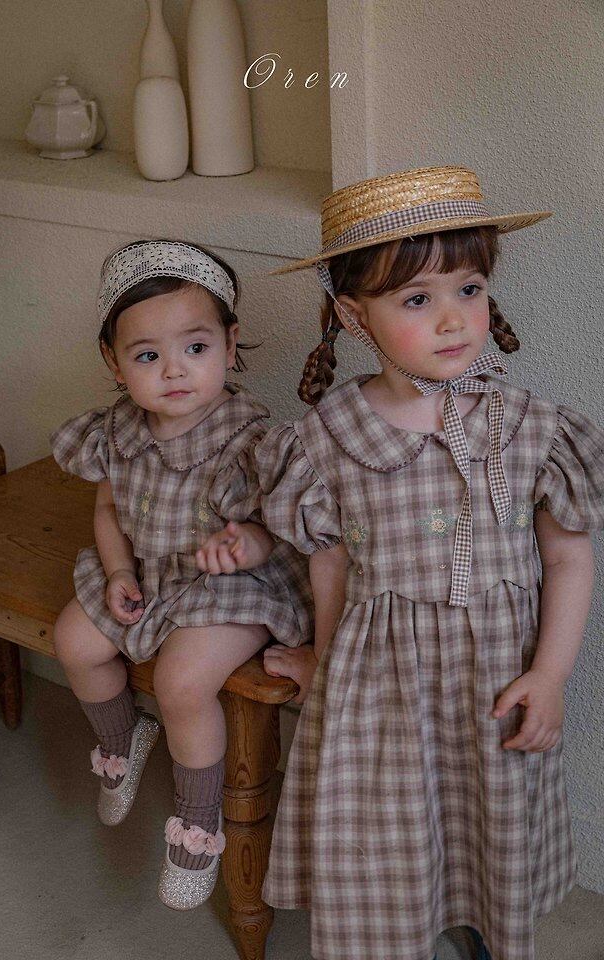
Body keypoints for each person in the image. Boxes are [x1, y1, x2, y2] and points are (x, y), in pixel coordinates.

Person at [255, 165, 604, 960]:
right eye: (417, 299)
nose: (453, 319)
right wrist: (324, 665)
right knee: (389, 830)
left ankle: (483, 927)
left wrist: (551, 675)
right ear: (354, 315)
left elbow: (569, 556)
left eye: (469, 289)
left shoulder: (532, 428)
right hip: (382, 690)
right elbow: (331, 569)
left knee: (487, 820)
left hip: (495, 678)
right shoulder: (325, 439)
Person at [51, 239, 310, 910]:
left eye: (195, 347)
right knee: (74, 640)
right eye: (147, 356)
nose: (174, 371)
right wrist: (116, 570)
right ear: (114, 362)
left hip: (234, 582)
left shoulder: (250, 436)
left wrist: (246, 544)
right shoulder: (118, 430)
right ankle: (122, 740)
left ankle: (198, 825)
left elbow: (282, 527)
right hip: (150, 571)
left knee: (182, 680)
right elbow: (107, 507)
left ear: (230, 342)